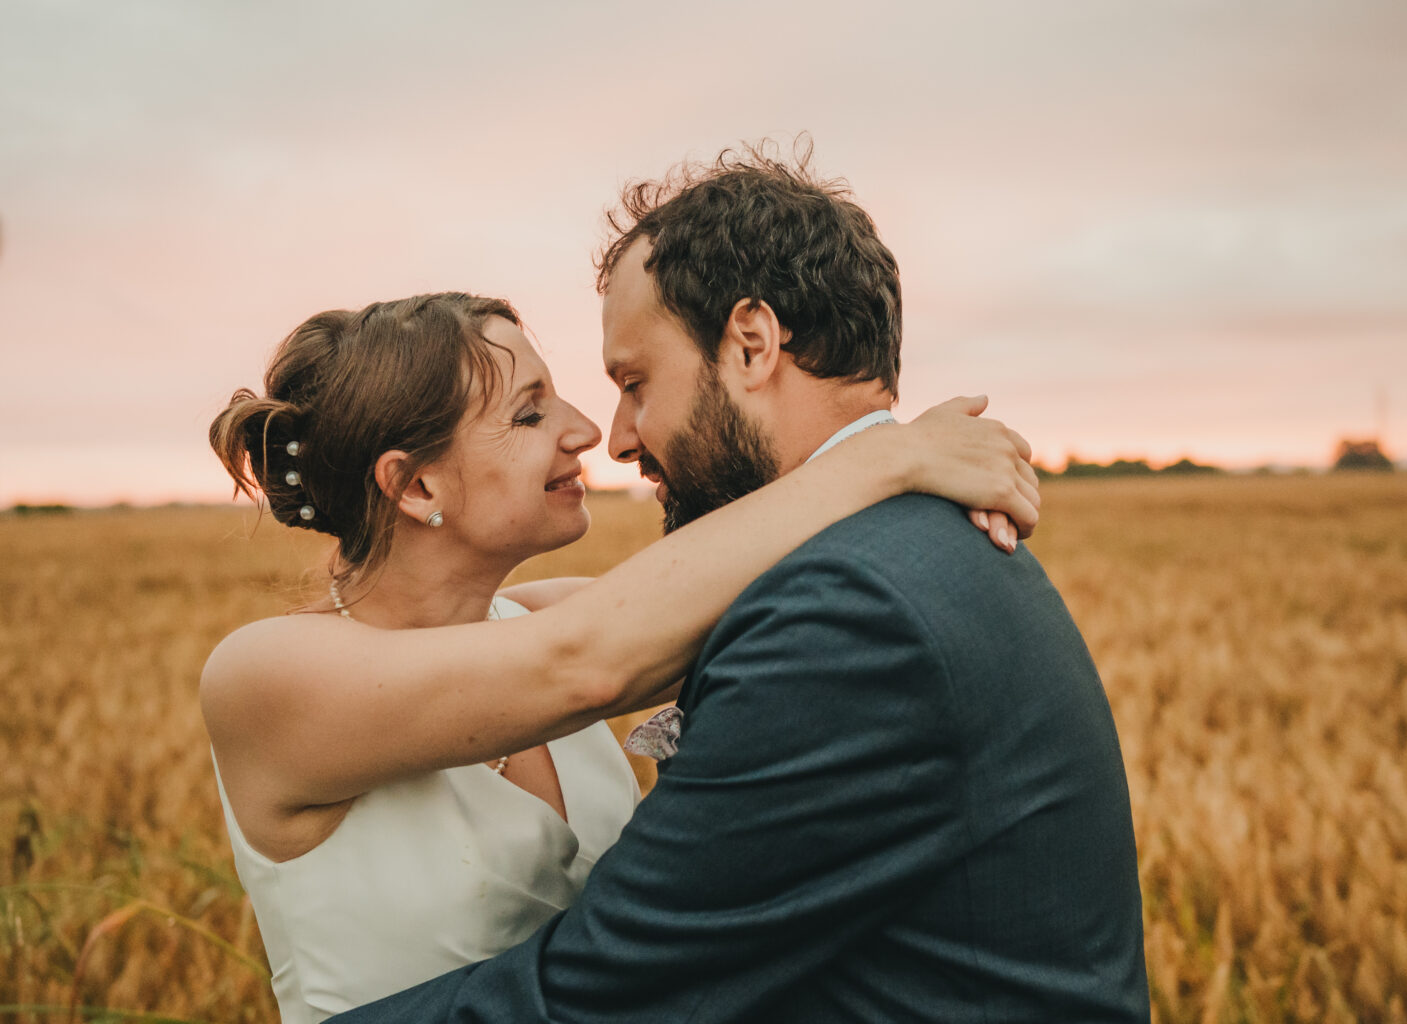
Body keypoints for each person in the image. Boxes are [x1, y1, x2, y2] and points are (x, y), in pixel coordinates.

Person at [336, 146, 1150, 1023]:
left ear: (753, 345)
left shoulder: (846, 615)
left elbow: (604, 997)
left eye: (635, 383)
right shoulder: (894, 551)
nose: (616, 437)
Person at [202, 290, 1040, 1022]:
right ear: (417, 485)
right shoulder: (266, 677)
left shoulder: (539, 615)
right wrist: (884, 458)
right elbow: (584, 661)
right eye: (530, 414)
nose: (587, 432)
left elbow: (789, 612)